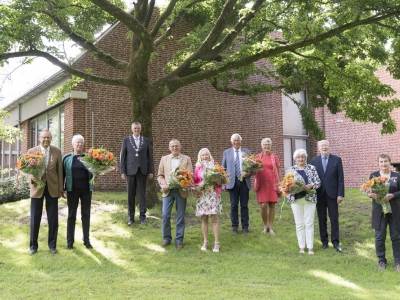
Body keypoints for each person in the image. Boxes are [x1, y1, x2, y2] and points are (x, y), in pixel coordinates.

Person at [28, 129, 63, 255]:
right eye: (44, 137)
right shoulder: (31, 152)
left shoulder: (57, 151)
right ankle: (33, 246)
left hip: (52, 189)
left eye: (48, 137)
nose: (46, 140)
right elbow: (27, 170)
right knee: (34, 218)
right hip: (37, 188)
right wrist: (33, 178)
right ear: (39, 138)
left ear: (51, 138)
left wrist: (60, 189)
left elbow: (60, 171)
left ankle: (52, 245)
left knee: (53, 218)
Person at [157, 139, 193, 248]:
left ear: (180, 147)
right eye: (172, 146)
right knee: (165, 215)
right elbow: (160, 175)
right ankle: (166, 238)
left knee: (180, 216)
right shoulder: (164, 159)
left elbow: (190, 175)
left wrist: (185, 182)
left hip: (181, 190)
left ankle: (179, 240)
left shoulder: (186, 159)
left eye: (176, 146)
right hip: (168, 191)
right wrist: (163, 184)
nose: (174, 148)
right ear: (169, 148)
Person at [366, 154, 400, 270]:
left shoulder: (397, 175)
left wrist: (392, 195)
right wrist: (370, 194)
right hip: (379, 211)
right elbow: (366, 190)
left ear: (390, 163)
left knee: (396, 237)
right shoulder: (374, 176)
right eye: (381, 162)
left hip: (394, 211)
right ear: (378, 163)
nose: (384, 164)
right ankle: (381, 261)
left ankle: (398, 262)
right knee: (379, 237)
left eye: (386, 161)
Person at [311, 140, 344, 252]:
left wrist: (340, 194)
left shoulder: (337, 160)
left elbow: (340, 179)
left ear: (329, 147)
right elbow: (312, 178)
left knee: (334, 218)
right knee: (321, 218)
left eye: (326, 145)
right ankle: (324, 242)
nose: (324, 147)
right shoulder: (314, 161)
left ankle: (335, 242)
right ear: (319, 148)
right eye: (322, 146)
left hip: (333, 194)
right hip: (319, 194)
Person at [286, 149, 321, 255]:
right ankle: (302, 247)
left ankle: (310, 247)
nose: (300, 159)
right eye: (298, 157)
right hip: (296, 199)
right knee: (299, 223)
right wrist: (288, 189)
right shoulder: (291, 170)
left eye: (302, 157)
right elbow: (286, 184)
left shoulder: (312, 168)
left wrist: (310, 185)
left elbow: (318, 182)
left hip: (309, 198)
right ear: (295, 159)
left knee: (309, 223)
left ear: (305, 158)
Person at [63, 134, 94, 249]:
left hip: (86, 190)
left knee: (86, 215)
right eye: (78, 142)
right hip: (72, 190)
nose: (80, 144)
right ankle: (70, 242)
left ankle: (86, 240)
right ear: (73, 144)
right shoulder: (66, 158)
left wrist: (97, 173)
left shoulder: (89, 158)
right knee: (71, 216)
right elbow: (62, 174)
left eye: (81, 142)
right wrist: (62, 189)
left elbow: (94, 172)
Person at [120, 122, 154, 225]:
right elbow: (123, 157)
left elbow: (150, 157)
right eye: (135, 128)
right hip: (130, 171)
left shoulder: (146, 141)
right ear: (131, 129)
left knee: (142, 194)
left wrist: (150, 171)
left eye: (138, 128)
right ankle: (131, 217)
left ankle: (142, 216)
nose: (136, 130)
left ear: (141, 129)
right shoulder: (126, 140)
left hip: (142, 171)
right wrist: (122, 171)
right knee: (131, 194)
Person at [222, 133, 251, 235]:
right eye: (234, 140)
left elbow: (252, 167)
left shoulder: (247, 152)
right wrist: (223, 184)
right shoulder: (227, 153)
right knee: (234, 205)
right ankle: (234, 226)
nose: (236, 142)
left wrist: (249, 173)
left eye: (238, 140)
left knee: (244, 205)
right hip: (232, 183)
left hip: (244, 182)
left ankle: (245, 227)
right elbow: (223, 169)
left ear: (241, 141)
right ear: (231, 142)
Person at [194, 148, 223, 252]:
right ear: (200, 157)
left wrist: (218, 180)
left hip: (212, 194)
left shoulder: (215, 166)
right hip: (202, 195)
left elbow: (220, 183)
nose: (205, 157)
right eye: (203, 155)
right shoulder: (198, 167)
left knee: (214, 218)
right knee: (204, 219)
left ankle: (216, 243)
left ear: (209, 155)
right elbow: (195, 183)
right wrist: (199, 185)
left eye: (206, 155)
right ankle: (205, 241)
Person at [254, 138, 280, 235]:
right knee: (263, 206)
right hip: (262, 184)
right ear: (261, 146)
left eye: (268, 144)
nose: (266, 146)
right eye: (265, 144)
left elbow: (278, 170)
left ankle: (270, 227)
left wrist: (280, 183)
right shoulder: (257, 157)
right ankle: (265, 226)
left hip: (272, 183)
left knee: (272, 205)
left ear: (271, 146)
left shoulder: (275, 157)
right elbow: (253, 170)